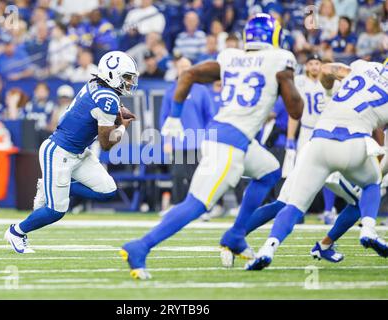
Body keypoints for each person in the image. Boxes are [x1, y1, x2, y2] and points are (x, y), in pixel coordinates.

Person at [120, 14, 303, 280]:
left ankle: (237, 233)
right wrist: (286, 79)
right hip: (230, 143)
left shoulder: (231, 56)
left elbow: (190, 74)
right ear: (274, 36)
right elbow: (296, 110)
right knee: (196, 204)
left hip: (226, 135)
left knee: (270, 172)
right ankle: (140, 246)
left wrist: (174, 116)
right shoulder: (280, 59)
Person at [246, 58, 388, 270]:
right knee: (372, 184)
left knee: (292, 205)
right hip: (353, 142)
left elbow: (327, 70)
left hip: (317, 142)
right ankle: (368, 228)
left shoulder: (362, 66)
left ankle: (268, 247)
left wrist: (329, 90)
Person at [4, 51, 139, 254]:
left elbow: (101, 107)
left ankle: (55, 187)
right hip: (59, 152)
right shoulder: (107, 98)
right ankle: (16, 232)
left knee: (108, 191)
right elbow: (106, 144)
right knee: (55, 211)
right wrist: (122, 127)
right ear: (113, 75)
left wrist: (117, 114)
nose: (129, 82)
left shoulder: (97, 84)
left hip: (78, 152)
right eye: (126, 77)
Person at [283, 54, 337, 224]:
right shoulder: (299, 82)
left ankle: (329, 210)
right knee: (300, 172)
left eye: (317, 63)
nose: (314, 66)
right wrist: (290, 137)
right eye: (311, 63)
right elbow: (294, 112)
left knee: (331, 173)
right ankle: (299, 210)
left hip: (325, 130)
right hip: (306, 132)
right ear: (306, 66)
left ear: (322, 66)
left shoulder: (330, 82)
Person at [159, 57, 215, 209]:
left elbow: (210, 116)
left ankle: (199, 208)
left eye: (186, 67)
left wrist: (209, 138)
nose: (183, 69)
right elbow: (165, 118)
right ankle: (177, 206)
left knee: (196, 177)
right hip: (177, 142)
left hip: (197, 141)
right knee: (177, 175)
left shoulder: (201, 90)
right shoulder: (170, 91)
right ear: (176, 69)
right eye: (181, 67)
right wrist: (167, 141)